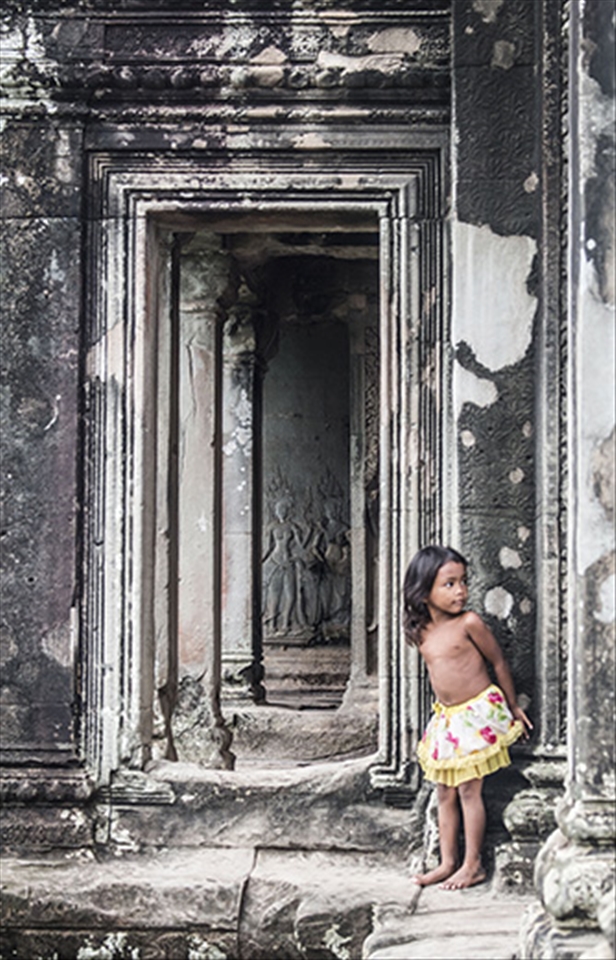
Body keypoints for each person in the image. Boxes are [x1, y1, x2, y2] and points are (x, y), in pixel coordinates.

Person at [403, 545, 532, 890]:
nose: (460, 591)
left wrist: (513, 706)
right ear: (424, 590)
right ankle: (448, 862)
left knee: (468, 791)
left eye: (463, 582)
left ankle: (473, 863)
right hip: (448, 719)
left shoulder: (470, 623)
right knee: (443, 793)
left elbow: (499, 662)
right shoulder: (422, 631)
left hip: (476, 714)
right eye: (449, 584)